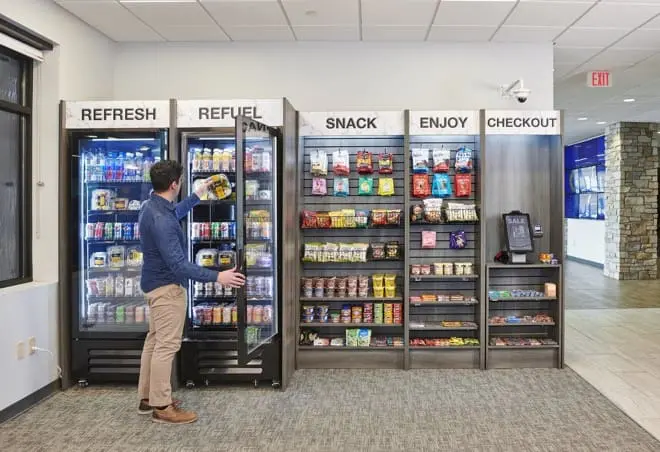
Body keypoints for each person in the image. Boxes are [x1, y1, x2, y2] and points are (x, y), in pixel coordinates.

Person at [136, 160, 245, 424]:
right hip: (167, 289)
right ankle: (162, 407)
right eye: (181, 180)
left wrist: (198, 195)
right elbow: (179, 265)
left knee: (154, 342)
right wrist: (219, 276)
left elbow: (175, 213)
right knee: (166, 346)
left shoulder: (152, 206)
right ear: (174, 184)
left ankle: (148, 397)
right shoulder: (162, 220)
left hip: (153, 284)